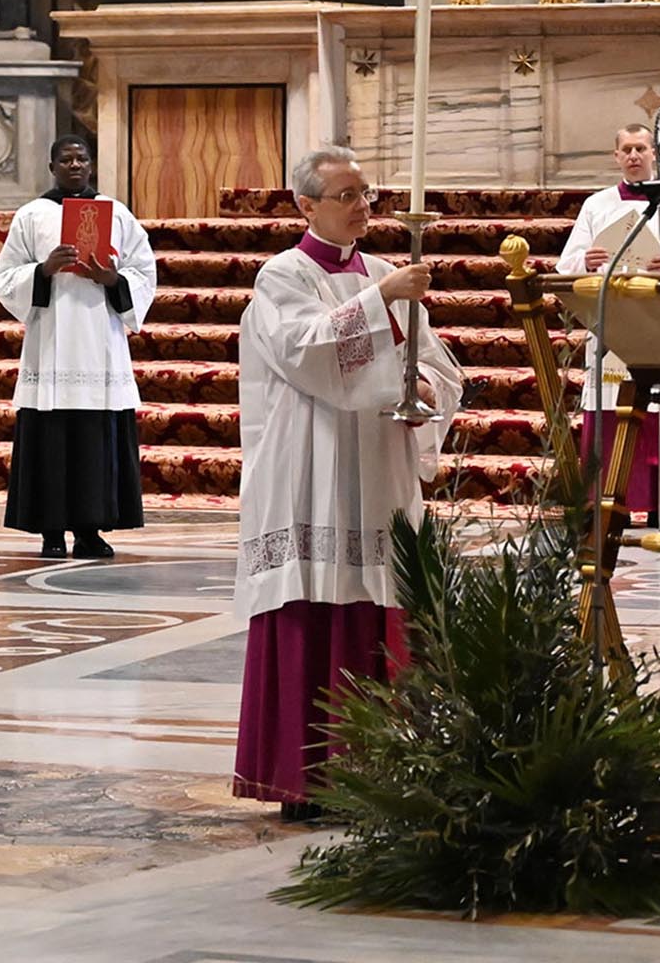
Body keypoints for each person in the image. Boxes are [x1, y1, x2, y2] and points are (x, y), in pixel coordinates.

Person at [234, 146, 463, 821]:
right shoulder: (283, 276)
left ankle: (383, 769)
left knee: (381, 602)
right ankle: (304, 779)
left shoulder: (389, 271)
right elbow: (304, 355)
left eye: (367, 194)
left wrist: (426, 386)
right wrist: (378, 301)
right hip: (311, 461)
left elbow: (434, 361)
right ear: (305, 205)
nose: (365, 207)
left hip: (378, 459)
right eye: (347, 196)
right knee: (313, 602)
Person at [0, 137, 157, 560]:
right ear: (51, 166)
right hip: (52, 342)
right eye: (66, 159)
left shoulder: (117, 213)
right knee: (52, 439)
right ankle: (51, 531)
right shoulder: (32, 216)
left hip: (99, 342)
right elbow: (4, 277)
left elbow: (144, 271)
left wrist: (112, 280)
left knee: (94, 442)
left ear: (92, 164)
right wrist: (43, 270)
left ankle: (89, 530)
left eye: (82, 158)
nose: (75, 164)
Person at [557, 123, 660, 528]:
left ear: (654, 154)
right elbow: (566, 263)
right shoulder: (597, 204)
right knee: (611, 408)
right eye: (627, 149)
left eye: (641, 148)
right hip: (613, 317)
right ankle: (607, 500)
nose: (635, 156)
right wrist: (585, 262)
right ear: (616, 156)